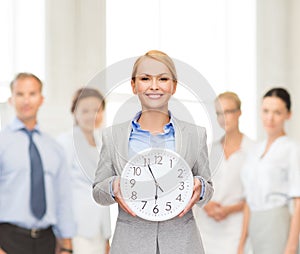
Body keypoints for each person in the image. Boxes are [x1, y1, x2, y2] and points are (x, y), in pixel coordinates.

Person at [92, 50, 214, 254]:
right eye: (145, 78)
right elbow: (97, 191)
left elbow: (208, 187)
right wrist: (114, 186)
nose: (154, 86)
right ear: (134, 85)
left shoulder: (195, 135)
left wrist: (200, 187)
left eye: (163, 79)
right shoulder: (113, 136)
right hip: (130, 245)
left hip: (182, 244)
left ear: (173, 86)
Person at [0, 73, 74, 254]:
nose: (26, 100)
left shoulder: (54, 147)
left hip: (47, 241)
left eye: (32, 94)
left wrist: (67, 246)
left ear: (41, 99)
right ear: (11, 99)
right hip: (8, 239)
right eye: (20, 94)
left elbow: (62, 198)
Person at [238, 87, 300, 254]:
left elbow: (298, 200)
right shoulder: (254, 151)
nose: (270, 118)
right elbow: (248, 201)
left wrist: (292, 247)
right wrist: (241, 243)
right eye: (266, 111)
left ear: (288, 115)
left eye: (277, 112)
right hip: (255, 226)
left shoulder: (292, 149)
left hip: (277, 224)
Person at [193, 91, 254, 254]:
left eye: (228, 112)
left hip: (235, 228)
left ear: (239, 113)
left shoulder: (253, 150)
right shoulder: (209, 149)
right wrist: (207, 205)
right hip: (206, 227)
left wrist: (229, 210)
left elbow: (253, 196)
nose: (223, 118)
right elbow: (197, 185)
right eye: (219, 113)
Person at [57, 88, 111, 254]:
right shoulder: (65, 142)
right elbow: (59, 191)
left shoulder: (104, 142)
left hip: (100, 230)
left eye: (97, 110)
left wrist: (107, 235)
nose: (91, 116)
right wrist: (64, 238)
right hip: (76, 229)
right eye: (85, 111)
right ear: (74, 112)